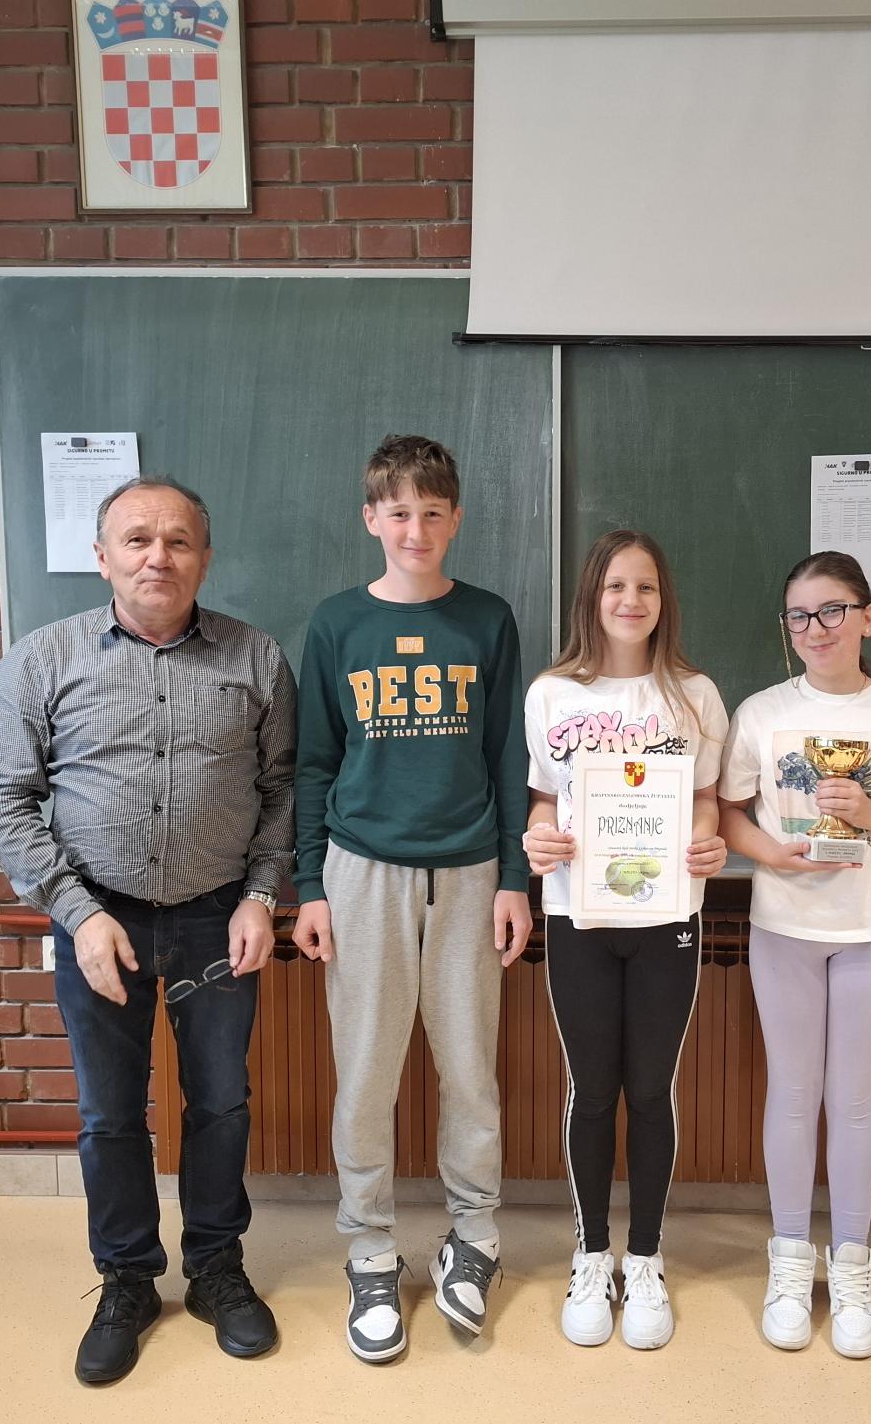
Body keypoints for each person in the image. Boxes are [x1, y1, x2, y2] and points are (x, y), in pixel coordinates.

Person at [0, 476, 295, 1385]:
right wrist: (76, 913)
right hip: (97, 919)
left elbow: (281, 787)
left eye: (179, 540)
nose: (159, 556)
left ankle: (216, 1267)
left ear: (206, 557)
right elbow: (5, 798)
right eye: (138, 539)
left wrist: (259, 895)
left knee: (220, 1101)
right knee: (110, 1112)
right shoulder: (42, 659)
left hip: (216, 916)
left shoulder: (256, 657)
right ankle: (126, 1279)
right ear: (103, 556)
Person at [290, 434, 532, 1363]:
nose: (416, 529)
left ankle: (475, 1236)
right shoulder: (336, 624)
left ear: (456, 517)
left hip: (468, 872)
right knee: (366, 1071)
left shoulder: (488, 620)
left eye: (432, 512)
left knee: (469, 1067)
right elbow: (314, 763)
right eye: (399, 512)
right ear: (371, 518)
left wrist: (514, 877)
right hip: (361, 872)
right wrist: (309, 886)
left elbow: (508, 758)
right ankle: (370, 1248)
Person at [718, 551, 871, 1359]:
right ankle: (791, 1259)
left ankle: (851, 1262)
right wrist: (771, 853)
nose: (815, 628)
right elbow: (727, 812)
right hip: (784, 929)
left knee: (854, 1098)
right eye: (799, 615)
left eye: (832, 611)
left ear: (867, 616)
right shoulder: (761, 712)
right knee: (792, 1093)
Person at [520, 530, 730, 1350]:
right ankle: (590, 1254)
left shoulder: (695, 695)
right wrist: (539, 837)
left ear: (663, 598)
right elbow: (545, 798)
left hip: (667, 918)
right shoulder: (551, 694)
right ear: (592, 597)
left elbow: (707, 799)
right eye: (615, 585)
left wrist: (707, 838)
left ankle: (644, 1258)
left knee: (650, 1088)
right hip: (578, 915)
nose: (631, 600)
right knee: (592, 1088)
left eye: (646, 585)